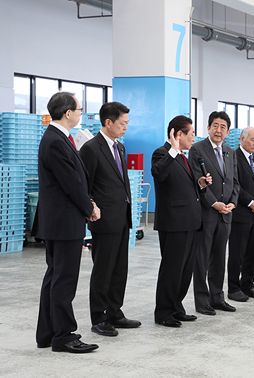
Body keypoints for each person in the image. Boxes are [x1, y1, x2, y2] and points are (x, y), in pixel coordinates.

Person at [35, 92, 100, 353]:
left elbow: (75, 180)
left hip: (60, 221)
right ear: (68, 113)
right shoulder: (55, 142)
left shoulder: (59, 139)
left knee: (54, 276)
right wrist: (89, 208)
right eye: (79, 109)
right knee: (64, 278)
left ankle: (47, 333)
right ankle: (64, 335)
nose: (80, 113)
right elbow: (70, 183)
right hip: (64, 222)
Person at [79, 102, 141, 337]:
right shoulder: (91, 149)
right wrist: (92, 212)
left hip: (122, 218)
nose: (126, 127)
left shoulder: (120, 148)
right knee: (103, 270)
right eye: (123, 123)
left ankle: (115, 311)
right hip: (104, 220)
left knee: (119, 269)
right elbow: (86, 186)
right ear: (108, 122)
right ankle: (99, 317)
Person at [151, 115, 211, 328]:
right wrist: (173, 150)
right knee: (172, 268)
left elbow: (182, 186)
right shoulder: (162, 153)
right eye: (191, 134)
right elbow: (159, 174)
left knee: (185, 269)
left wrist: (200, 184)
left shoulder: (184, 158)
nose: (194, 137)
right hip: (174, 223)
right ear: (178, 134)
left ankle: (176, 307)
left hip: (190, 222)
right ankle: (164, 312)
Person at [189, 111, 239, 316]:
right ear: (209, 127)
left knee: (219, 257)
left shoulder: (230, 151)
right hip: (207, 213)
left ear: (227, 131)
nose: (219, 130)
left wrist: (232, 203)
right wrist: (214, 203)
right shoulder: (197, 149)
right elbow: (197, 182)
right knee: (202, 258)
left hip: (226, 213)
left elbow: (234, 181)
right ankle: (202, 301)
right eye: (215, 126)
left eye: (223, 127)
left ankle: (217, 297)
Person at [228, 127, 254, 302]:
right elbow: (235, 186)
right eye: (253, 139)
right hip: (241, 214)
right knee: (238, 252)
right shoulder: (233, 158)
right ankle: (234, 288)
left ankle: (248, 284)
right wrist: (251, 202)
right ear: (242, 139)